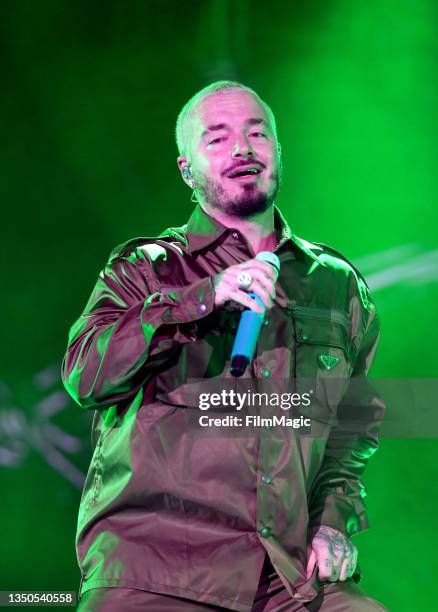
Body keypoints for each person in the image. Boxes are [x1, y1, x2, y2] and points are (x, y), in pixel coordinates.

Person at [62, 81, 387, 611]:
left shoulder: (335, 284)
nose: (242, 148)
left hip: (284, 575)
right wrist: (200, 298)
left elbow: (353, 429)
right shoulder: (146, 270)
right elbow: (86, 375)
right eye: (217, 139)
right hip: (156, 570)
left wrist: (333, 522)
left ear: (278, 153)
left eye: (257, 133)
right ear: (187, 170)